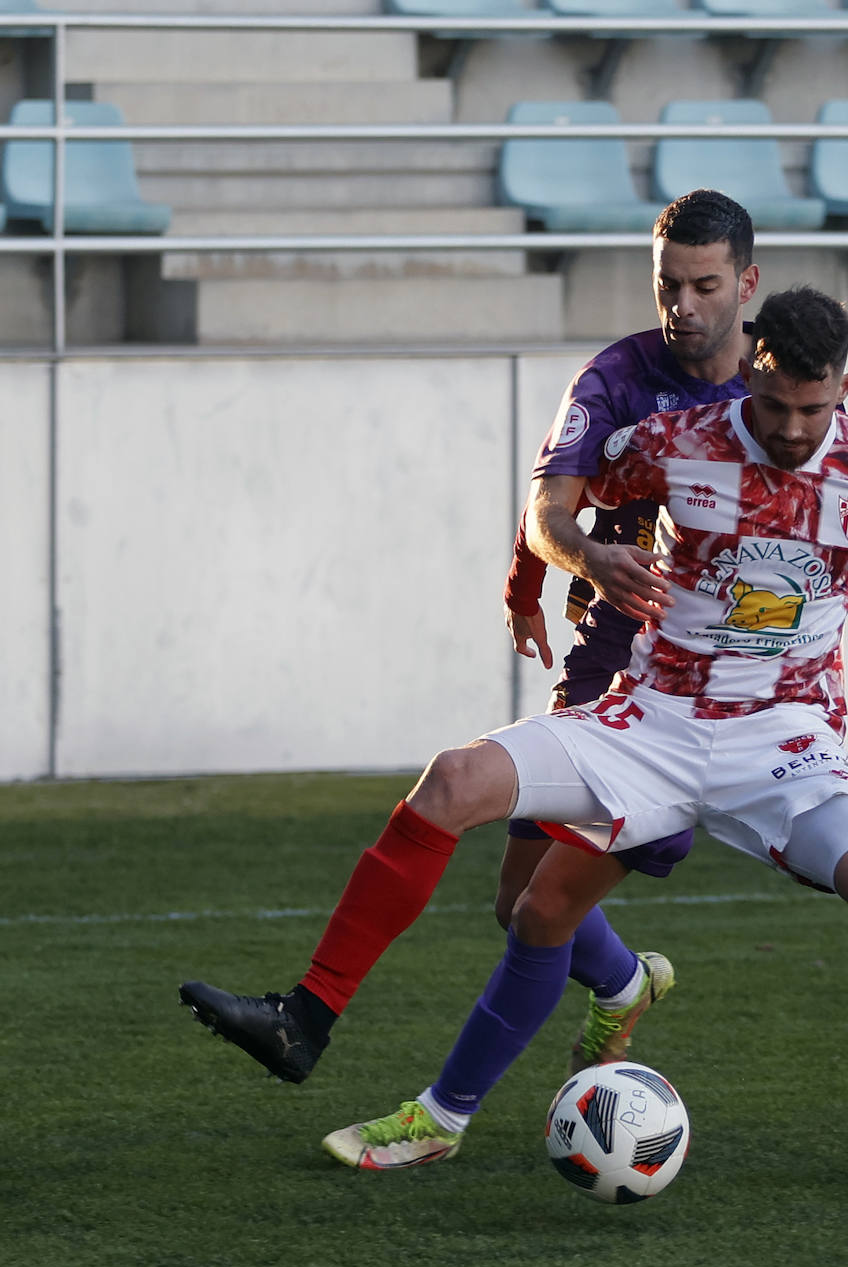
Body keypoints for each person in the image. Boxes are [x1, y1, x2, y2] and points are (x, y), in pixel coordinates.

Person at [196, 285, 848, 1193]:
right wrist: (548, 572)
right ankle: (349, 1050)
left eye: (814, 410)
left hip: (786, 740)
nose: (790, 429)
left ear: (845, 387)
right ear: (750, 371)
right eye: (775, 404)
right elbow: (554, 508)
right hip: (652, 721)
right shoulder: (675, 443)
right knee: (475, 815)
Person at [181, 189, 761, 1085]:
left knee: (538, 912)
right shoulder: (616, 378)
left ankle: (440, 1111)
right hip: (610, 663)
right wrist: (541, 575)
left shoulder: (779, 395)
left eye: (703, 285)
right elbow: (551, 508)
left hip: (708, 703)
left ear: (745, 283)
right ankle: (614, 986)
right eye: (666, 285)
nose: (681, 305)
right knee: (514, 900)